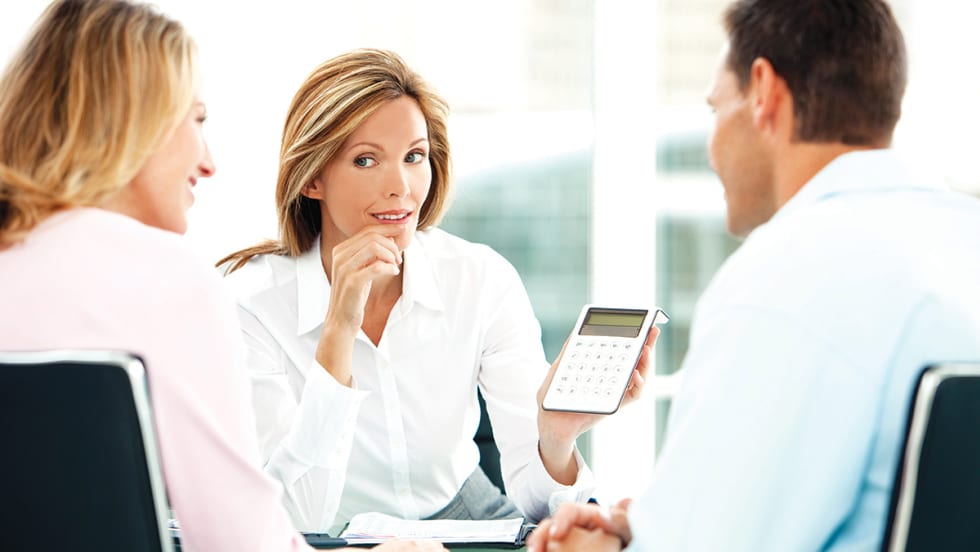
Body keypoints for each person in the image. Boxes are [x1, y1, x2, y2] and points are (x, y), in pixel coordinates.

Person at [527, 0, 980, 550]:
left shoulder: (788, 275)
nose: (712, 148)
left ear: (763, 91)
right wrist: (642, 530)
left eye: (715, 108)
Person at [0, 2, 441, 551]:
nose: (208, 161)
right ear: (132, 126)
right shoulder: (168, 281)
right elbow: (238, 539)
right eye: (197, 119)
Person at [217, 48, 660, 534]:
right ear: (312, 179)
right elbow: (298, 516)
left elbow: (539, 509)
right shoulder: (251, 304)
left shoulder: (481, 278)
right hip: (336, 536)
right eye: (366, 160)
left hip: (468, 522)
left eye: (414, 157)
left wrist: (554, 438)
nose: (400, 186)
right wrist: (338, 328)